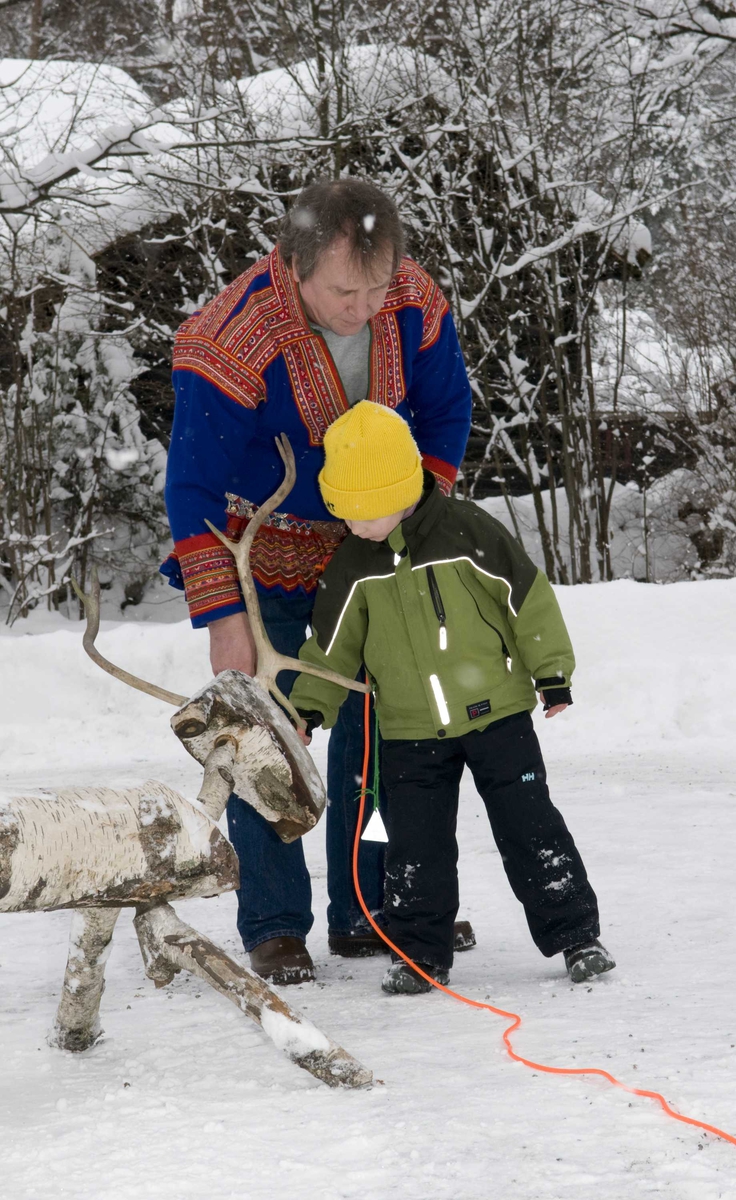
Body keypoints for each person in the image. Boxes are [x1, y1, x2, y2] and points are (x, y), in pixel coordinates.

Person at [160, 177, 475, 984]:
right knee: (269, 738)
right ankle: (274, 924)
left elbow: (444, 412)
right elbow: (191, 491)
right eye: (343, 290)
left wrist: (418, 515)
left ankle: (366, 910)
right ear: (293, 264)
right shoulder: (226, 343)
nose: (364, 305)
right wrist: (223, 615)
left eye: (376, 285)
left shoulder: (412, 300)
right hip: (259, 558)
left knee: (379, 728)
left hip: (368, 553)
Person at [290, 402, 615, 994]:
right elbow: (330, 646)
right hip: (410, 732)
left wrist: (552, 674)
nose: (354, 526)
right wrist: (310, 708)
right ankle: (419, 955)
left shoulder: (469, 533)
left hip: (498, 716)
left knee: (530, 826)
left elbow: (527, 599)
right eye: (345, 513)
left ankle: (577, 937)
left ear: (400, 490)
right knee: (413, 846)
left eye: (362, 514)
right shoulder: (353, 564)